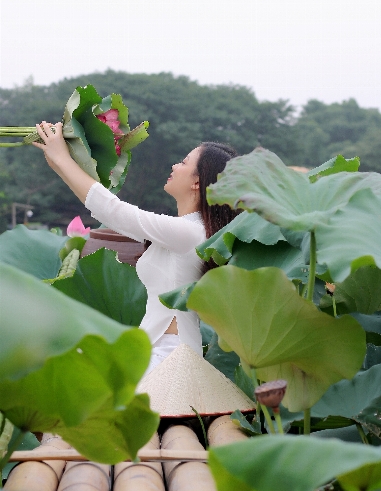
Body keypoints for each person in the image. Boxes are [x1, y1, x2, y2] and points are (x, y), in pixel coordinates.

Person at [33, 122, 238, 373]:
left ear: (198, 181)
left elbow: (112, 210)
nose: (174, 166)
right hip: (157, 350)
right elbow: (108, 212)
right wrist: (57, 160)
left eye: (184, 162)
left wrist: (63, 158)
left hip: (170, 357)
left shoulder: (191, 232)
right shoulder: (186, 230)